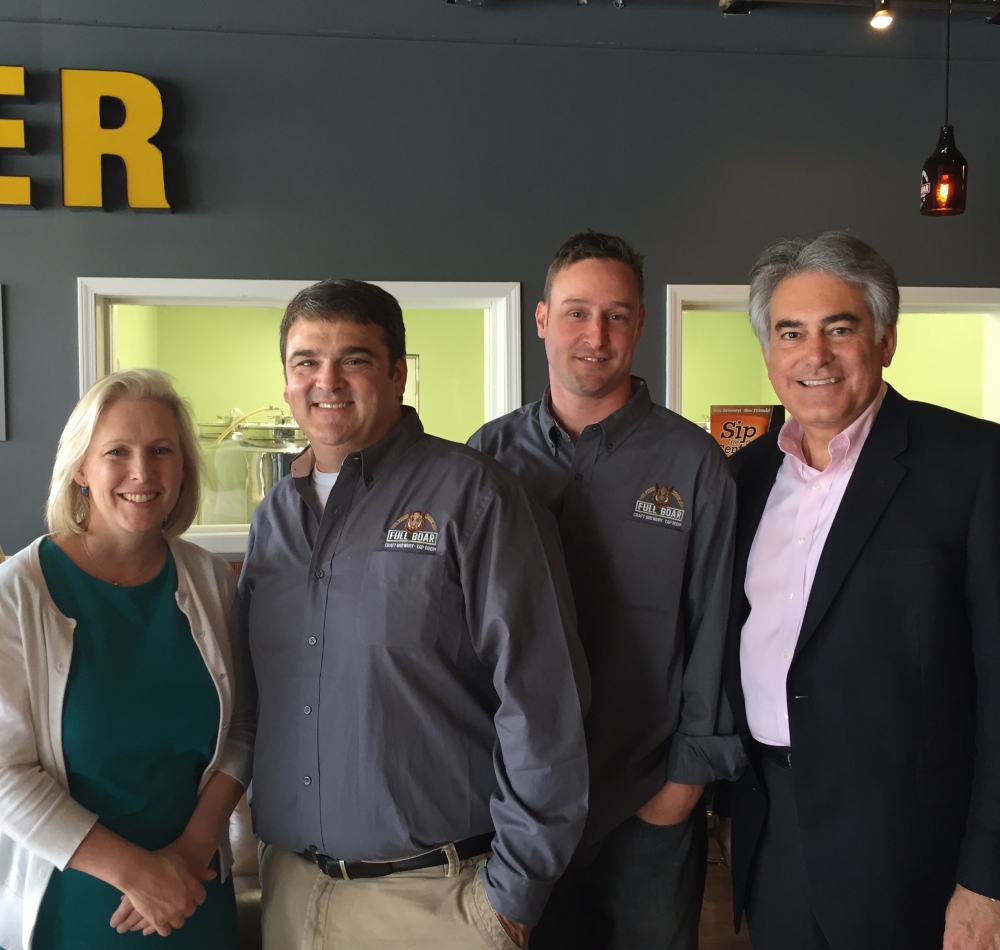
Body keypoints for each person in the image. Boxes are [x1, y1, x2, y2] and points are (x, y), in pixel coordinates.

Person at [239, 279, 590, 950]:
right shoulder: (274, 518)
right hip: (291, 891)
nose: (327, 380)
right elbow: (255, 699)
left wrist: (515, 896)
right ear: (286, 380)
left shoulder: (475, 496)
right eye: (305, 361)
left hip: (435, 902)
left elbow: (543, 699)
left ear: (398, 372)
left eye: (355, 359)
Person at [715, 232, 1000, 950]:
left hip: (914, 857)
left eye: (839, 329)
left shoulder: (974, 466)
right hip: (773, 829)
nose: (815, 355)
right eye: (791, 333)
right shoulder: (741, 480)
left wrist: (988, 879)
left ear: (886, 340)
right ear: (769, 353)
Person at [470, 231, 743, 950]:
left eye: (617, 315)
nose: (596, 335)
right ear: (540, 320)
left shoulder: (693, 463)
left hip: (643, 801)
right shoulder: (486, 458)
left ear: (641, 324)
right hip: (517, 811)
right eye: (576, 313)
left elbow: (713, 625)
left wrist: (683, 785)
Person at [0, 369, 254, 950]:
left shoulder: (212, 581)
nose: (143, 472)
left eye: (162, 450)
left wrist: (188, 857)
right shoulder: (16, 594)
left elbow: (242, 725)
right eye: (117, 451)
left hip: (195, 894)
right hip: (77, 904)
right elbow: (3, 775)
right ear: (81, 470)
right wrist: (140, 876)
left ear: (183, 467)